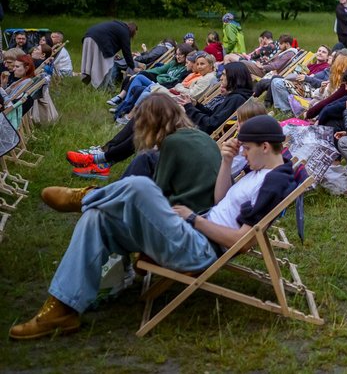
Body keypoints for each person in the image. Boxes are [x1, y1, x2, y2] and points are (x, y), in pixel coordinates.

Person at [10, 115, 295, 341]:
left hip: (199, 250)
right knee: (96, 219)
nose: (243, 153)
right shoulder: (258, 172)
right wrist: (227, 161)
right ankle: (62, 309)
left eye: (246, 148)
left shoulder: (274, 181)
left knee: (141, 186)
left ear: (265, 147)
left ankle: (85, 195)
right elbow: (221, 200)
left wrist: (193, 219)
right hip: (190, 235)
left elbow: (242, 241)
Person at [183, 62, 254, 134]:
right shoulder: (235, 96)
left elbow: (211, 125)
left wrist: (190, 108)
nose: (221, 78)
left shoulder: (237, 98)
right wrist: (196, 105)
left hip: (205, 137)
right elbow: (214, 115)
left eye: (224, 75)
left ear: (233, 77)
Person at [80, 20, 137, 89]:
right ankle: (101, 88)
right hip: (98, 40)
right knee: (106, 66)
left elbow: (109, 37)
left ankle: (109, 88)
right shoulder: (125, 32)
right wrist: (133, 67)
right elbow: (126, 51)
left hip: (88, 37)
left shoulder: (118, 26)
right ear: (132, 31)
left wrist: (113, 53)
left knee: (95, 64)